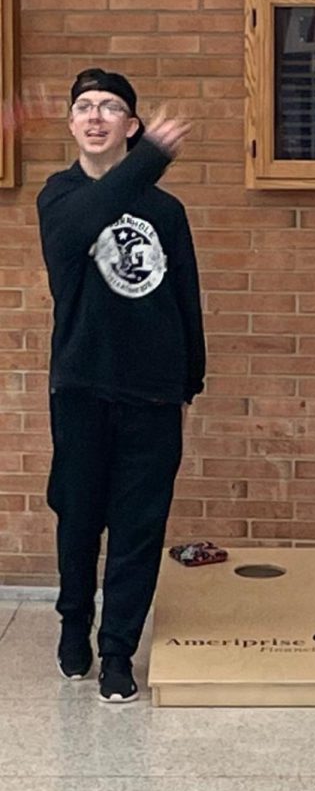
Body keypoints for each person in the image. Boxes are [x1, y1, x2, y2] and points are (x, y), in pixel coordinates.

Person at [37, 68, 206, 703]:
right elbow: (88, 221)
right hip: (81, 385)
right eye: (84, 106)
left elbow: (186, 294)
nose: (96, 116)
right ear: (73, 122)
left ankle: (117, 652)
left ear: (130, 125)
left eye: (111, 108)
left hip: (152, 391)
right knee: (78, 514)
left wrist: (190, 371)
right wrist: (152, 158)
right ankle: (74, 624)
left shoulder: (165, 209)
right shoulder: (59, 198)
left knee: (139, 525)